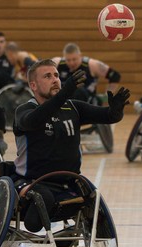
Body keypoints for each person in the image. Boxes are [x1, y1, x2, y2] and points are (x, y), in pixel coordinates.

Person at [12, 59, 130, 232]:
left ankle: (77, 237)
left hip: (70, 180)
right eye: (47, 76)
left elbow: (108, 117)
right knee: (35, 220)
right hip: (34, 181)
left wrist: (116, 110)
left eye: (56, 75)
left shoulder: (73, 108)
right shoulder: (24, 110)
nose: (55, 79)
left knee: (94, 201)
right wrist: (63, 94)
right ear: (34, 86)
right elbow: (33, 121)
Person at [52, 42, 121, 104]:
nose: (71, 63)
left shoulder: (92, 64)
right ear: (64, 57)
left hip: (88, 100)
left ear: (80, 56)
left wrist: (107, 96)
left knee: (78, 90)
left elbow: (115, 76)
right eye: (68, 60)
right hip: (64, 100)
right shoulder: (57, 63)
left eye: (74, 59)